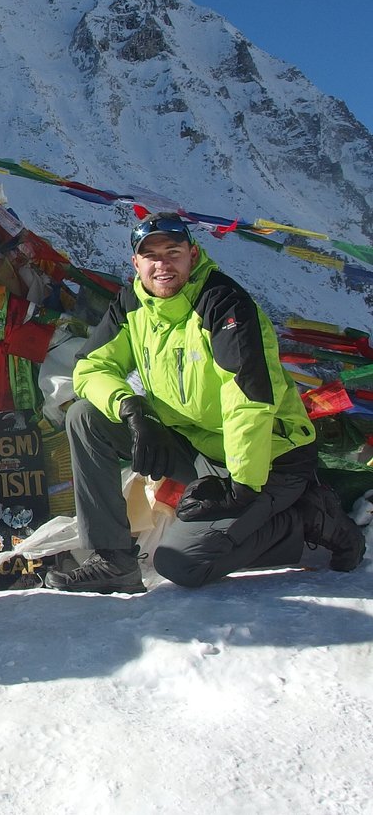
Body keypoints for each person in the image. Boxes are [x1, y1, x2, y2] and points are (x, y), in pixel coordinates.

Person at [47, 212, 365, 594]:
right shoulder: (133, 303)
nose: (162, 264)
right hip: (195, 446)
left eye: (172, 252)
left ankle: (309, 519)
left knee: (181, 564)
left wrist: (241, 487)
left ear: (192, 256)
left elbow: (247, 399)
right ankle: (113, 560)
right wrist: (130, 408)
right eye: (151, 256)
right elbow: (90, 368)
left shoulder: (223, 303)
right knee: (86, 416)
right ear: (136, 263)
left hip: (266, 457)